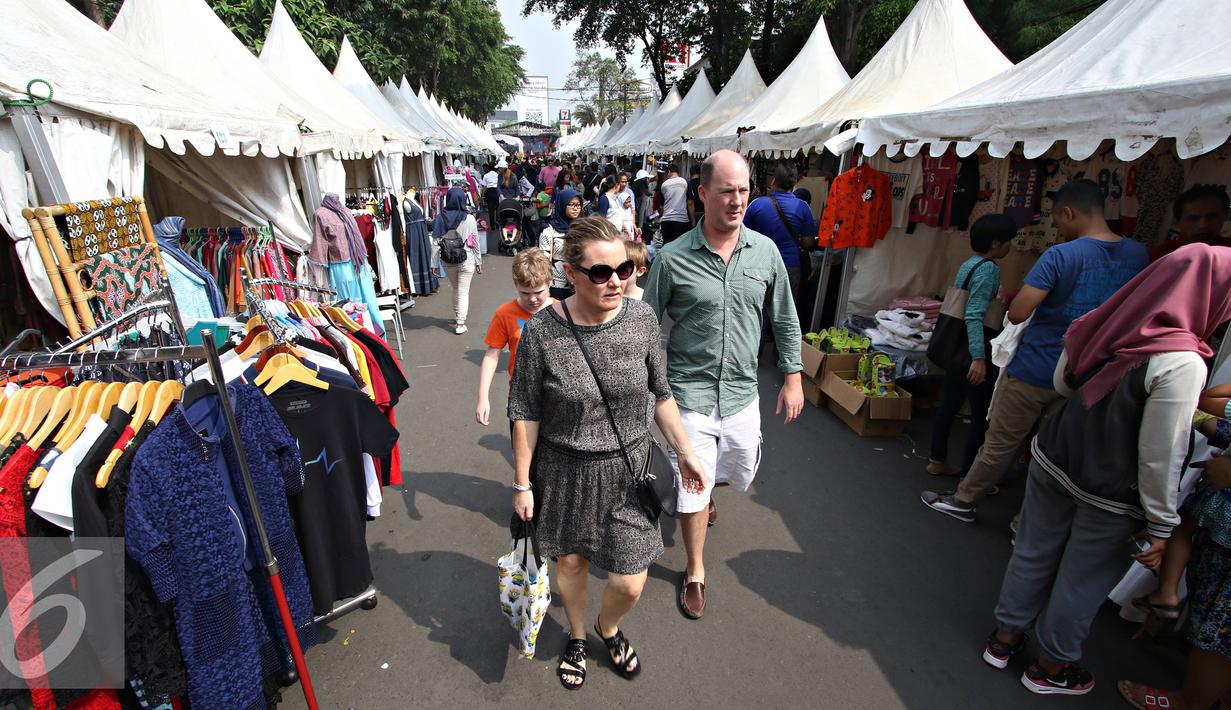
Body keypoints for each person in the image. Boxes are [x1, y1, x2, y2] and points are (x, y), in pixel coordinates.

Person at [983, 244, 1229, 696]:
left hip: (1055, 454)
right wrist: (1161, 522)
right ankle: (1051, 667)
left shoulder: (1109, 317)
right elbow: (1161, 453)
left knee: (1034, 550)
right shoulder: (1181, 360)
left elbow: (1064, 382)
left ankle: (1004, 638)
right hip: (1111, 488)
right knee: (1084, 576)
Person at [508, 216, 706, 690]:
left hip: (629, 468)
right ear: (570, 273)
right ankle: (577, 636)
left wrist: (685, 451)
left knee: (630, 581)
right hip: (566, 469)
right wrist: (522, 482)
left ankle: (608, 626)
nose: (616, 281)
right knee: (572, 564)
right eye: (600, 272)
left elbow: (661, 393)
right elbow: (525, 410)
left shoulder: (641, 320)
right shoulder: (541, 332)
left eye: (623, 269)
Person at [923, 179, 1149, 523]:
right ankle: (1025, 520)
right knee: (1051, 452)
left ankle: (964, 500)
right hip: (1091, 372)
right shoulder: (1138, 254)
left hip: (1037, 366)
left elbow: (1018, 313)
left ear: (1069, 212)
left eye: (1058, 221)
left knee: (999, 441)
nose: (1058, 229)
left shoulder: (1060, 256)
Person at [644, 149, 805, 620]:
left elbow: (786, 319)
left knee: (738, 469)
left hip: (741, 394)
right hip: (687, 395)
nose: (736, 201)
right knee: (692, 483)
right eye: (726, 191)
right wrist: (644, 387)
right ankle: (695, 569)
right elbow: (648, 327)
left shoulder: (766, 253)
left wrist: (793, 378)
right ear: (702, 194)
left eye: (743, 191)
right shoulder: (673, 260)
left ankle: (708, 485)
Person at [927, 214, 1015, 478]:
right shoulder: (989, 270)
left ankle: (937, 459)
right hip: (973, 350)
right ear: (996, 243)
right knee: (980, 415)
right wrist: (979, 357)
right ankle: (970, 473)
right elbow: (974, 314)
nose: (1011, 246)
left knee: (949, 405)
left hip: (955, 348)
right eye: (1009, 240)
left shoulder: (969, 264)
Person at [476, 249, 553, 430]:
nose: (532, 299)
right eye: (525, 293)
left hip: (555, 398)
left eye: (539, 292)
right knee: (523, 455)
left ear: (550, 282)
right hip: (522, 396)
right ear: (516, 285)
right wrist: (483, 397)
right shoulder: (505, 313)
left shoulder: (563, 311)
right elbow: (492, 355)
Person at [741, 162, 818, 302]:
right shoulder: (803, 207)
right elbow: (808, 243)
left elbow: (742, 237)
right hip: (789, 266)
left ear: (774, 181)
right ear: (794, 184)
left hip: (759, 265)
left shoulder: (757, 204)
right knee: (785, 315)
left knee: (758, 313)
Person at [432, 187, 482, 335]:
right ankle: (460, 323)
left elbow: (435, 243)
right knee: (463, 292)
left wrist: (433, 264)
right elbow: (475, 241)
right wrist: (479, 261)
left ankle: (457, 316)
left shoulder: (441, 217)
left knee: (456, 289)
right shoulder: (470, 218)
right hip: (467, 259)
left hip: (448, 261)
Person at [1149, 185, 1230, 261]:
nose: (1203, 225)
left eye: (1212, 217)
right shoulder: (1160, 257)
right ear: (1176, 221)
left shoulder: (1228, 251)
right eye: (1193, 218)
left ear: (1225, 216)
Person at [540, 188, 582, 301]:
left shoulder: (583, 229)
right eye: (572, 205)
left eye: (578, 205)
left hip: (580, 286)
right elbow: (544, 261)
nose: (576, 208)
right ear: (562, 205)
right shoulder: (549, 230)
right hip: (557, 286)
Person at [658, 163, 691, 245]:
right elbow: (690, 202)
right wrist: (693, 220)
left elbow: (661, 206)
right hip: (681, 220)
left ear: (669, 172)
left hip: (666, 220)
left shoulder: (664, 185)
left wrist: (663, 216)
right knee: (681, 246)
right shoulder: (684, 182)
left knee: (667, 246)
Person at [598, 174, 636, 241]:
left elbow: (618, 216)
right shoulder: (604, 199)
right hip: (609, 235)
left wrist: (626, 230)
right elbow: (601, 220)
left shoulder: (616, 198)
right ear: (616, 185)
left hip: (617, 234)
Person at [482, 163, 500, 236]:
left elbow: (484, 186)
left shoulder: (486, 175)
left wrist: (482, 195)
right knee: (498, 208)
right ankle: (498, 223)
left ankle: (492, 225)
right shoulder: (498, 175)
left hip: (489, 192)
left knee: (491, 210)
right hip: (496, 191)